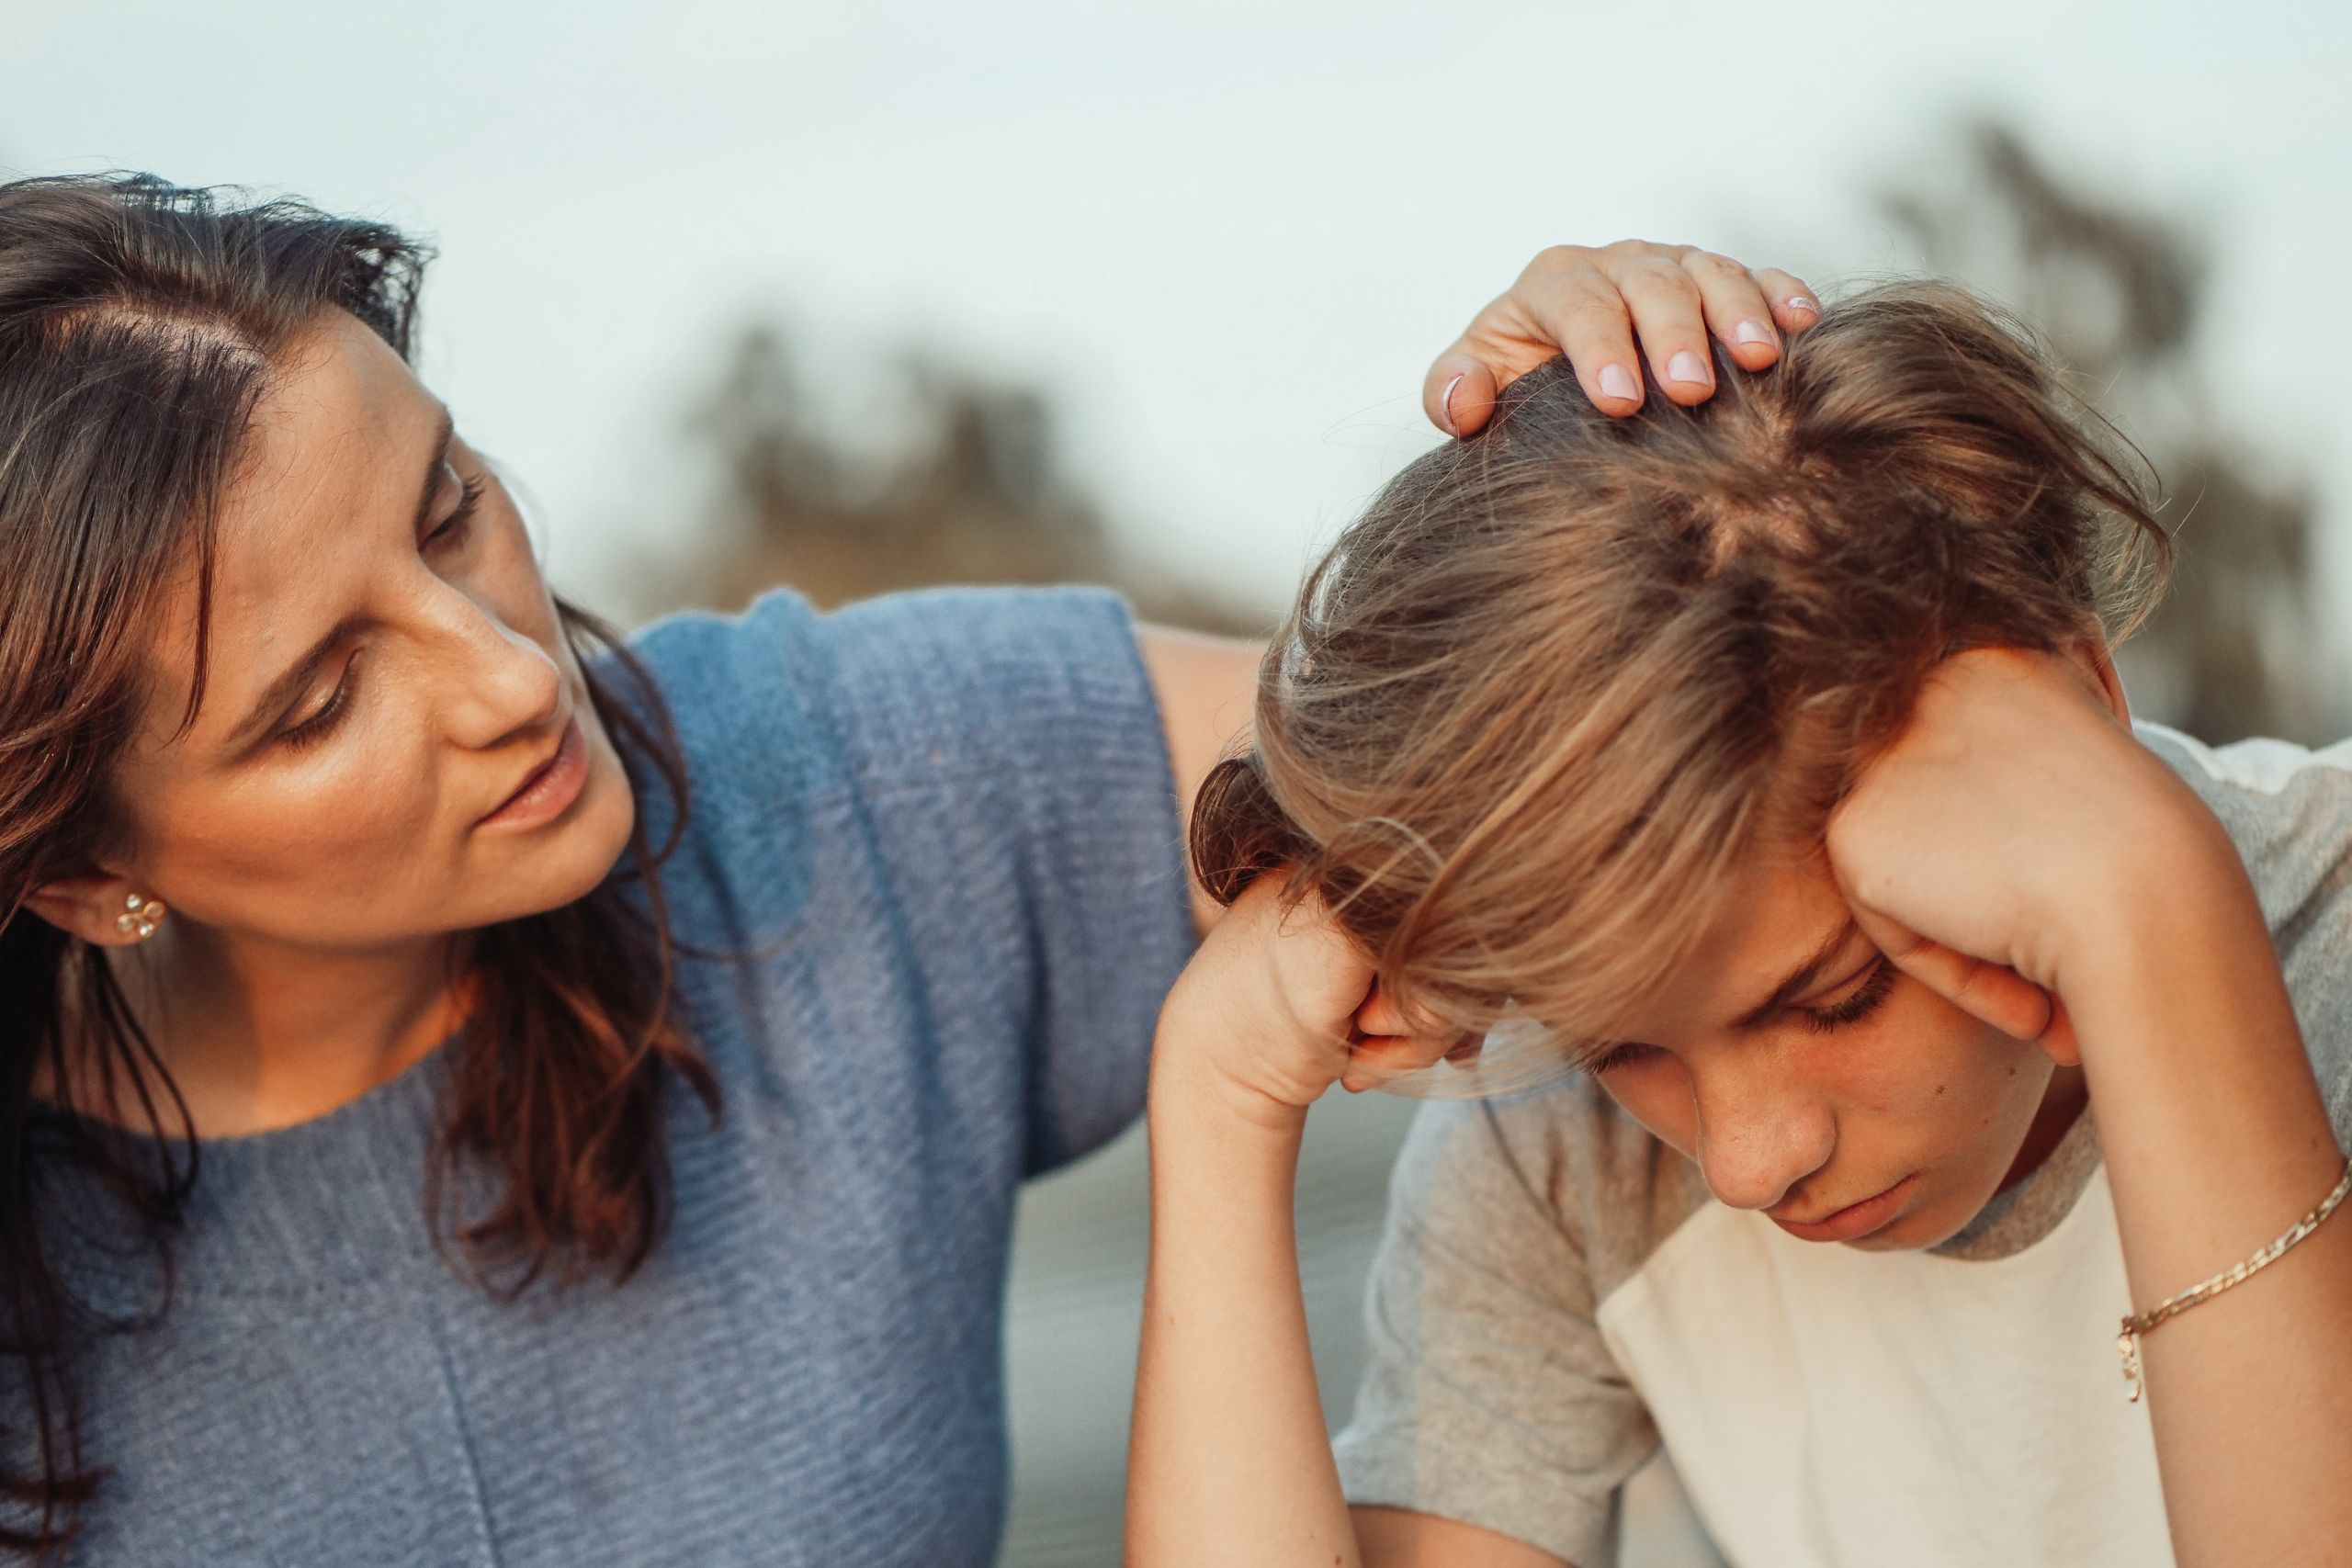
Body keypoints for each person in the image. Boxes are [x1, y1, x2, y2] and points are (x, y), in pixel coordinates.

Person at [0, 171, 1814, 1562]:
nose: (508, 673)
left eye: (448, 506)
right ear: (83, 867)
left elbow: (1540, 741)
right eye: (319, 698)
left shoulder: (846, 775)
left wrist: (1632, 468)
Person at [1126, 282, 2352, 1567]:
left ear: (2081, 708)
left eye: (1830, 997)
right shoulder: (1564, 1157)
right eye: (1623, 1048)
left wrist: (2153, 915)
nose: (1748, 1163)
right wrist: (1218, 1094)